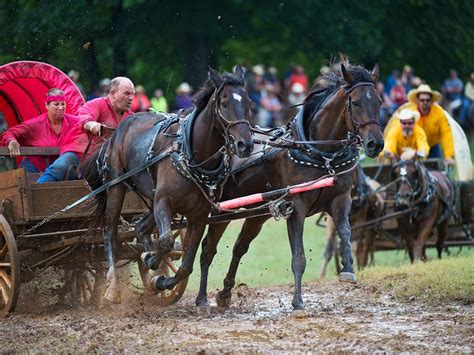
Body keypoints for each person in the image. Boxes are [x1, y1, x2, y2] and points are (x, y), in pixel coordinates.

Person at [0, 88, 86, 183]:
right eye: (56, 104)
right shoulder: (36, 124)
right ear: (46, 105)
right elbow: (9, 133)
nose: (61, 107)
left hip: (63, 169)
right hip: (34, 169)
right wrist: (12, 141)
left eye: (63, 104)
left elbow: (88, 123)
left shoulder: (75, 122)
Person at [396, 84, 454, 166]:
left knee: (440, 171)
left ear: (431, 101)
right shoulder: (410, 113)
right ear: (417, 100)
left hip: (433, 146)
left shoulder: (439, 113)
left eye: (427, 100)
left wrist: (448, 155)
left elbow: (446, 134)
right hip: (415, 148)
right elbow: (398, 129)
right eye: (422, 100)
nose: (425, 102)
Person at [79, 76, 135, 153]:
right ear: (113, 94)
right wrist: (92, 125)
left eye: (132, 94)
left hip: (112, 157)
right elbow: (83, 119)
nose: (131, 98)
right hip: (83, 153)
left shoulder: (131, 116)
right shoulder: (96, 104)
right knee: (61, 165)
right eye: (127, 93)